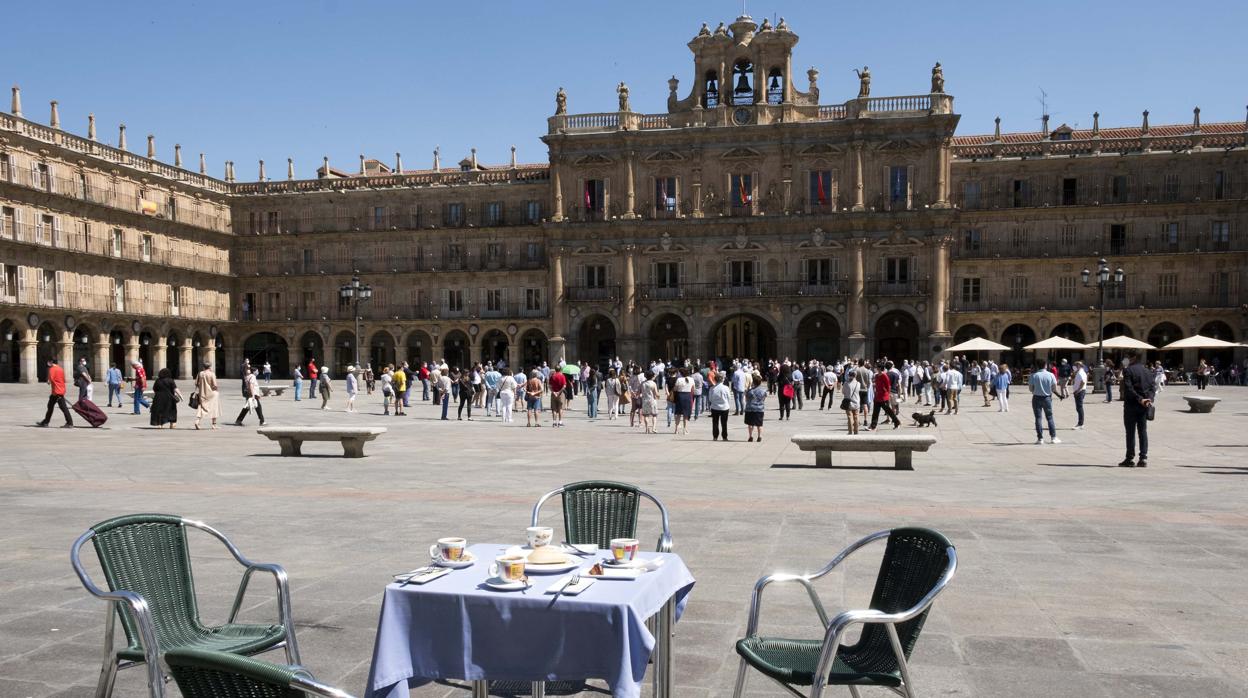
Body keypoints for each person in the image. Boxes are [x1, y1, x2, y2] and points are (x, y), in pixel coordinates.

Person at [1120, 349, 1156, 467]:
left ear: (1133, 358)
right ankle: (1143, 458)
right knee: (1142, 431)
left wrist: (1139, 399)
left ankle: (1129, 458)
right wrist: (1148, 399)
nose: (1126, 359)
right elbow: (1152, 388)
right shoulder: (1148, 371)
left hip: (1131, 405)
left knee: (1130, 432)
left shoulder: (1128, 370)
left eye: (1127, 357)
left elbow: (1129, 389)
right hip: (1144, 406)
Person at [1028, 359, 1060, 444]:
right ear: (1045, 365)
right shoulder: (1051, 375)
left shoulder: (1033, 375)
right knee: (1049, 417)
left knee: (1038, 418)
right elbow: (1054, 389)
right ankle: (1053, 437)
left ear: (1037, 366)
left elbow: (1031, 389)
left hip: (1036, 398)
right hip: (1047, 398)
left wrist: (1037, 390)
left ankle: (1040, 438)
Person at [36, 359, 74, 428]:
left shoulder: (52, 369)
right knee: (50, 406)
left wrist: (48, 381)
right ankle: (45, 422)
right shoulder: (60, 369)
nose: (48, 363)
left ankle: (70, 423)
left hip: (57, 391)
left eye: (48, 362)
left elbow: (50, 380)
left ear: (51, 362)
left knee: (63, 408)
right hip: (59, 390)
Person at [869, 364, 902, 430]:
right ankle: (873, 426)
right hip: (877, 397)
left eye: (876, 367)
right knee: (875, 412)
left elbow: (888, 386)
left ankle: (897, 422)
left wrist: (888, 393)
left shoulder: (885, 376)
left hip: (883, 397)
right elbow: (877, 384)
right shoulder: (876, 376)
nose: (875, 368)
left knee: (889, 411)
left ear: (879, 368)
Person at [193, 360, 220, 430]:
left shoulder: (200, 373)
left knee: (202, 407)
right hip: (212, 393)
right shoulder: (212, 374)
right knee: (214, 408)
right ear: (210, 366)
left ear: (203, 366)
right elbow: (215, 385)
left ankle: (197, 421)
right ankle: (214, 425)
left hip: (202, 394)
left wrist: (202, 388)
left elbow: (196, 383)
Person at [744, 372, 767, 442]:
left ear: (753, 382)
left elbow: (746, 399)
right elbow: (764, 399)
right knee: (759, 424)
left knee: (750, 424)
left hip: (750, 408)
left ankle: (750, 436)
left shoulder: (750, 391)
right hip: (759, 409)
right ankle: (759, 436)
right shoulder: (763, 391)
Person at [672, 367, 693, 434]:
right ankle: (685, 429)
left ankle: (676, 429)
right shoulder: (691, 379)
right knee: (686, 414)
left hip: (680, 396)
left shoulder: (679, 379)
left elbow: (675, 388)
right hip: (688, 396)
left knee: (678, 414)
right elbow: (693, 389)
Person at [842, 368, 861, 434]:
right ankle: (856, 431)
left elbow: (843, 392)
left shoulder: (846, 383)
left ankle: (850, 431)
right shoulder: (858, 383)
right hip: (856, 402)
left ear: (849, 375)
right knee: (856, 416)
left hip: (848, 402)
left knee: (850, 417)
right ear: (855, 376)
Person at [1070, 360, 1087, 430]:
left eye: (1075, 365)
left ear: (1079, 366)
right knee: (1078, 408)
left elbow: (1083, 382)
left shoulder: (1081, 373)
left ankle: (1080, 424)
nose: (1074, 367)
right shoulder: (1079, 372)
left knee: (1079, 408)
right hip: (1079, 391)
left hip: (1079, 392)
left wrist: (1078, 390)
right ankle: (1080, 423)